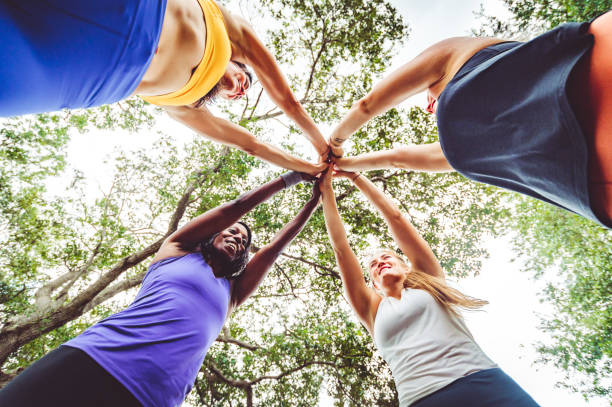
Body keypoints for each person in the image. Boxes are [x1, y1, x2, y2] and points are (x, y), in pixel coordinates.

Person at [0, 171, 320, 407]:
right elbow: (235, 206)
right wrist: (290, 179)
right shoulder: (177, 249)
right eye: (233, 231)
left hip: (153, 398)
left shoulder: (232, 293)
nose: (238, 237)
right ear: (212, 235)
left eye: (245, 241)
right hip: (98, 356)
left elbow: (276, 248)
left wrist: (316, 198)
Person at [329, 12, 612, 229]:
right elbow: (397, 158)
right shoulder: (461, 144)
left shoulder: (455, 57)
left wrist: (335, 141)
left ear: (429, 98)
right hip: (590, 178)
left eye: (428, 101)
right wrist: (344, 166)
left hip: (588, 82)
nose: (431, 107)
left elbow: (367, 105)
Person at [1, 0, 327, 175]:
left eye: (237, 95)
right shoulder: (227, 26)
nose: (242, 87)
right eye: (246, 76)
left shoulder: (185, 106)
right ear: (240, 61)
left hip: (83, 74)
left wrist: (310, 167)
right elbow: (286, 99)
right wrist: (320, 142)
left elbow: (252, 145)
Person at [319, 168, 540, 407]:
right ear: (373, 284)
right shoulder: (371, 308)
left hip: (480, 381)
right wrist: (326, 188)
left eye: (387, 257)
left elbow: (395, 217)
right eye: (373, 265)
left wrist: (355, 177)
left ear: (406, 267)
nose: (380, 262)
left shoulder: (428, 280)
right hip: (421, 399)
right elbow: (341, 249)